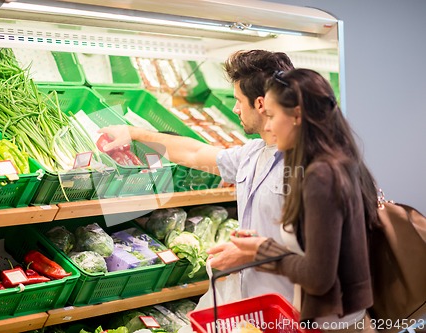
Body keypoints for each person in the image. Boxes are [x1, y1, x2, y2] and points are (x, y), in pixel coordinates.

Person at [99, 50, 296, 302]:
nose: (235, 108)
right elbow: (195, 152)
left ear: (259, 104)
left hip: (300, 311)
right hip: (257, 305)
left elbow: (326, 256)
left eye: (238, 100)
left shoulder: (307, 166)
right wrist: (134, 133)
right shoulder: (253, 154)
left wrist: (253, 255)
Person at [217, 68, 378, 332]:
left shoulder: (321, 176)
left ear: (297, 116)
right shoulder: (334, 162)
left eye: (270, 115)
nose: (267, 126)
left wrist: (262, 250)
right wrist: (259, 247)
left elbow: (318, 277)